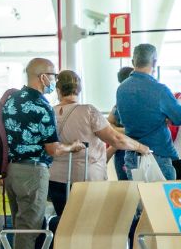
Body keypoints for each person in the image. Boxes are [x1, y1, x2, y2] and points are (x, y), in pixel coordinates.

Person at [1, 58, 85, 249]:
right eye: (53, 76)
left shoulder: (11, 100)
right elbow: (53, 148)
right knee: (30, 228)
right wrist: (72, 146)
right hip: (33, 172)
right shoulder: (41, 106)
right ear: (43, 77)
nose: (54, 81)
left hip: (11, 171)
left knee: (19, 226)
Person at [51, 69, 144, 220]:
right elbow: (116, 139)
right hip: (87, 179)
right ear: (79, 88)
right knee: (90, 223)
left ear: (58, 90)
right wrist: (141, 147)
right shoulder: (88, 111)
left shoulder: (49, 112)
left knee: (65, 222)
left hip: (56, 179)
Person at [111, 44, 181, 180]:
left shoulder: (121, 90)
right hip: (158, 155)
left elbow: (122, 118)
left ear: (133, 62)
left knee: (140, 199)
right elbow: (178, 118)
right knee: (162, 200)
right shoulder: (160, 89)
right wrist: (166, 117)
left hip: (131, 156)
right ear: (154, 62)